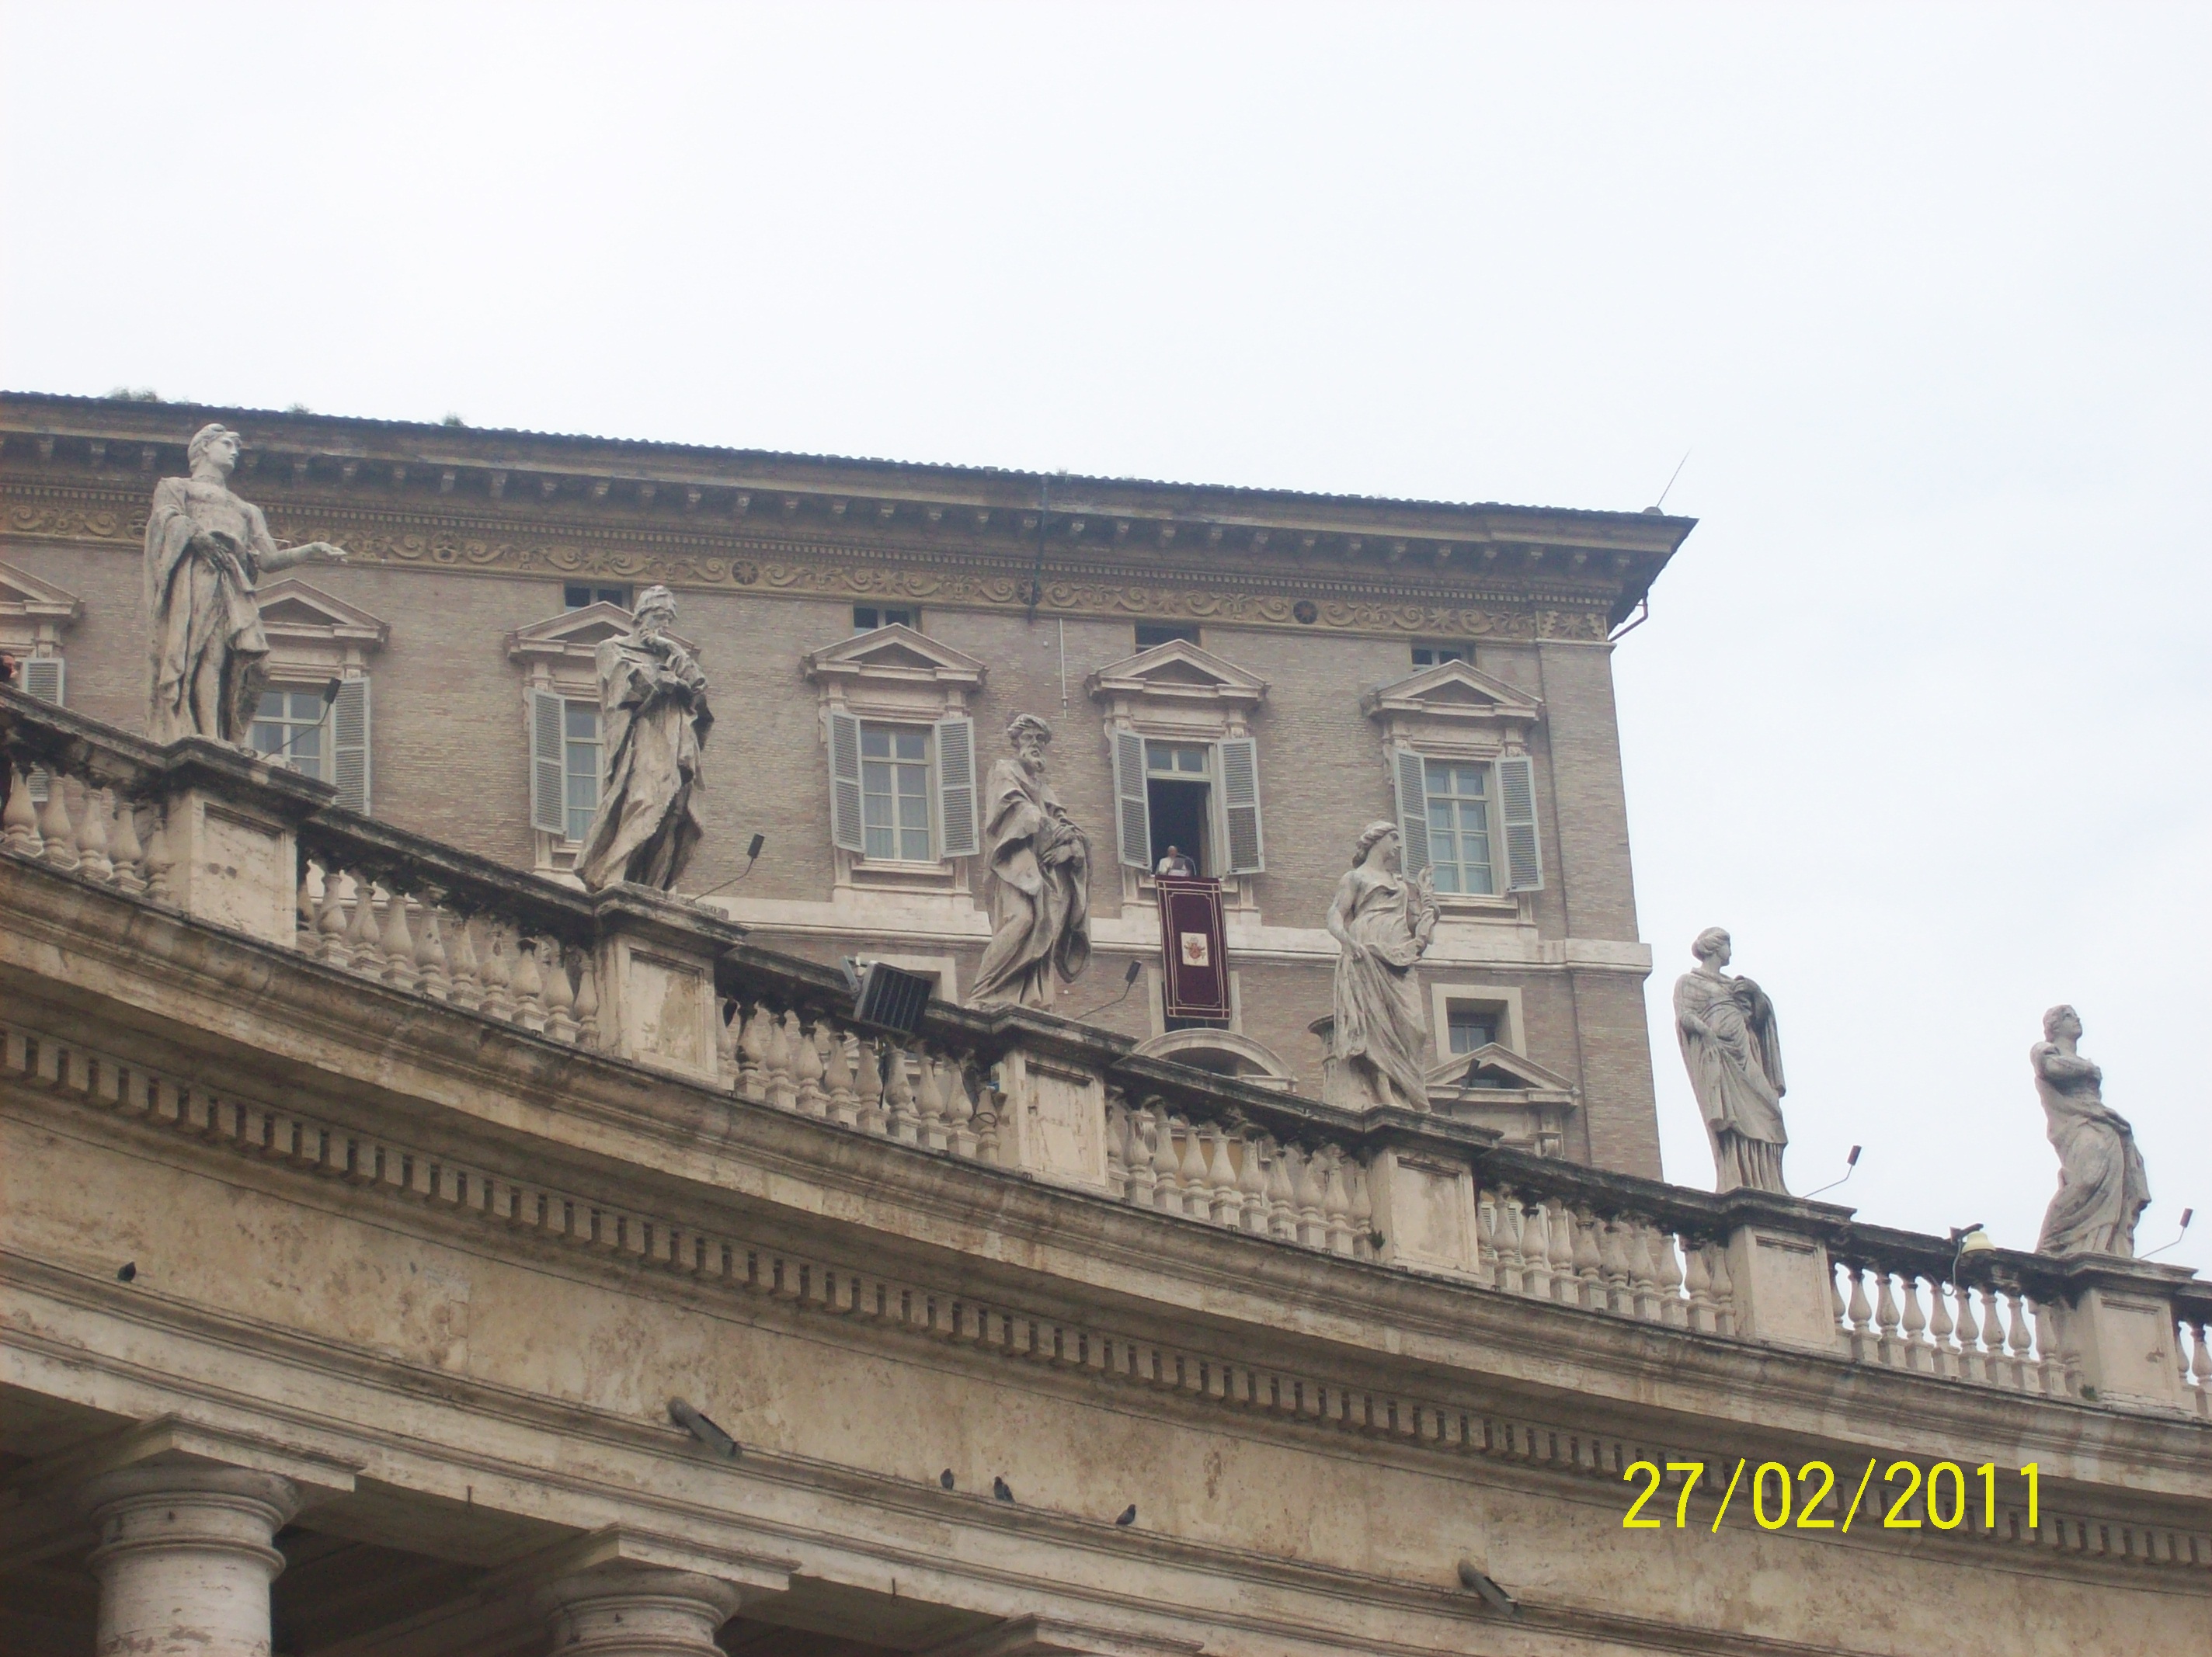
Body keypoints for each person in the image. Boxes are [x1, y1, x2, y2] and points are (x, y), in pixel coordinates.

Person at [144, 423, 348, 745]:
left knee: (239, 661)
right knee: (201, 651)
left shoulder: (246, 509)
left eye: (236, 447)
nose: (235, 452)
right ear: (204, 447)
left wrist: (311, 550)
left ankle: (221, 734)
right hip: (200, 572)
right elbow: (165, 521)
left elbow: (269, 560)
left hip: (234, 582)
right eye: (227, 444)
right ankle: (206, 735)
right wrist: (197, 537)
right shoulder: (177, 487)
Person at [574, 586, 712, 892]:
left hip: (678, 741)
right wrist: (666, 681)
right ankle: (612, 872)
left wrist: (673, 651)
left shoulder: (670, 654)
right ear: (641, 615)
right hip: (642, 739)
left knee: (677, 810)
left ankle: (654, 883)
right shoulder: (612, 648)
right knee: (646, 800)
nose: (664, 625)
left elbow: (698, 687)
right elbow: (629, 686)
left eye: (669, 620)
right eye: (659, 617)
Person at [972, 714, 1091, 1006]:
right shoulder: (1003, 770)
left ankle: (1031, 998)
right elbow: (1016, 811)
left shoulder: (1045, 788)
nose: (1035, 744)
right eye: (1029, 737)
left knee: (1045, 931)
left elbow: (1069, 830)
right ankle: (983, 993)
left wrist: (1070, 850)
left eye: (1041, 739)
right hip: (1014, 866)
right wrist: (1050, 829)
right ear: (1017, 741)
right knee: (1022, 920)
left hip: (1045, 873)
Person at [1323, 821, 1438, 1111]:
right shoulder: (1355, 878)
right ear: (1376, 840)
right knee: (1375, 1023)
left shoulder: (1401, 885)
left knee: (1416, 1029)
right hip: (1367, 952)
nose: (1399, 845)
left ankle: (1409, 1090)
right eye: (1394, 838)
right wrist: (1347, 942)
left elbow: (1417, 927)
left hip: (1400, 955)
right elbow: (1335, 914)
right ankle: (1384, 1089)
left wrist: (1426, 898)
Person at [1672, 927, 1789, 1193]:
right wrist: (1706, 1033)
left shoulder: (1735, 985)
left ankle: (1771, 1182)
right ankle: (1738, 1176)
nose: (1731, 951)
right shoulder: (1689, 982)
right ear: (1715, 948)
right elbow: (1684, 1016)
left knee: (1771, 1110)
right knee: (1732, 1118)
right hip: (1720, 1055)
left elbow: (1758, 1019)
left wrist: (1756, 993)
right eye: (1728, 945)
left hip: (1747, 1053)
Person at [2033, 1005, 2151, 1257]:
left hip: (2105, 1126)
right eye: (2068, 1016)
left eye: (2075, 1015)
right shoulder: (2044, 1049)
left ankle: (2103, 1245)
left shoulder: (2077, 1060)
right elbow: (2050, 1068)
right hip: (2076, 1125)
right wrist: (2087, 1069)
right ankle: (2054, 1241)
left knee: (2113, 1189)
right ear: (2053, 1026)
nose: (2076, 1019)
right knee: (2087, 1180)